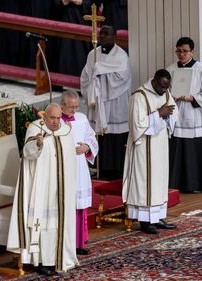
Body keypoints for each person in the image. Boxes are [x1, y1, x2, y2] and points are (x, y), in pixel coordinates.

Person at [7, 103, 79, 276]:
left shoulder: (66, 131)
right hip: (41, 187)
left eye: (58, 118)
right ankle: (40, 261)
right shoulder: (34, 129)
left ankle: (59, 258)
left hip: (60, 189)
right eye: (52, 118)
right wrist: (38, 144)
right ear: (44, 116)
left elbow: (70, 160)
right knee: (43, 224)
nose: (55, 122)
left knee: (57, 225)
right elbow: (28, 154)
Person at [122, 69, 178, 235]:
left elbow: (174, 113)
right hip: (143, 147)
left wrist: (169, 116)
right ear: (154, 81)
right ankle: (145, 220)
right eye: (161, 87)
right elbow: (136, 125)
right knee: (145, 181)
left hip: (159, 144)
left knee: (159, 181)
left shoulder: (166, 92)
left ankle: (158, 216)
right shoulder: (139, 96)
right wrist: (159, 114)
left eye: (166, 88)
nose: (163, 91)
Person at [167, 37, 202, 193]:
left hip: (194, 113)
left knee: (194, 150)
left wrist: (193, 98)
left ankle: (197, 184)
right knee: (178, 148)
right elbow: (163, 89)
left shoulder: (201, 69)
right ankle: (177, 183)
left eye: (184, 51)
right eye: (179, 51)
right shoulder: (171, 69)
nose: (181, 54)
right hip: (177, 113)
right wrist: (171, 96)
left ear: (192, 51)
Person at [80, 25, 132, 180]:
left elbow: (122, 79)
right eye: (101, 33)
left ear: (114, 36)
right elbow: (85, 76)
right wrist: (93, 82)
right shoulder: (92, 55)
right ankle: (99, 169)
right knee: (100, 136)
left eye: (106, 34)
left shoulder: (121, 55)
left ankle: (117, 172)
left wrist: (100, 72)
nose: (102, 36)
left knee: (115, 139)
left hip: (115, 103)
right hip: (98, 102)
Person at [60, 90, 98, 255]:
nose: (74, 110)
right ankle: (65, 243)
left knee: (79, 206)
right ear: (62, 105)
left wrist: (87, 147)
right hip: (63, 167)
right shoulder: (55, 121)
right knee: (66, 205)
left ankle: (79, 243)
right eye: (71, 107)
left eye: (76, 106)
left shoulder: (82, 119)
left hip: (80, 167)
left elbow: (91, 137)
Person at [54, 0, 92, 76]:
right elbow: (53, 6)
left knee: (81, 53)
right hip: (64, 24)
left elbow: (93, 5)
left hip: (82, 24)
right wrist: (64, 2)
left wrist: (80, 2)